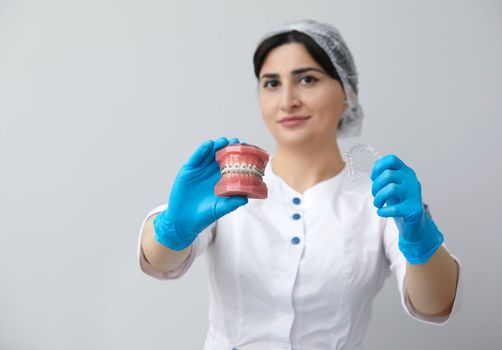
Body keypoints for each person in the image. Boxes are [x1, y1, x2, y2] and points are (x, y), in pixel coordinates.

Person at [137, 19, 462, 350]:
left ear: (348, 93)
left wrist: (421, 238)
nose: (287, 100)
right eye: (271, 83)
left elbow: (435, 304)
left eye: (307, 79)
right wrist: (171, 228)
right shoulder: (229, 187)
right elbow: (160, 262)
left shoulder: (380, 200)